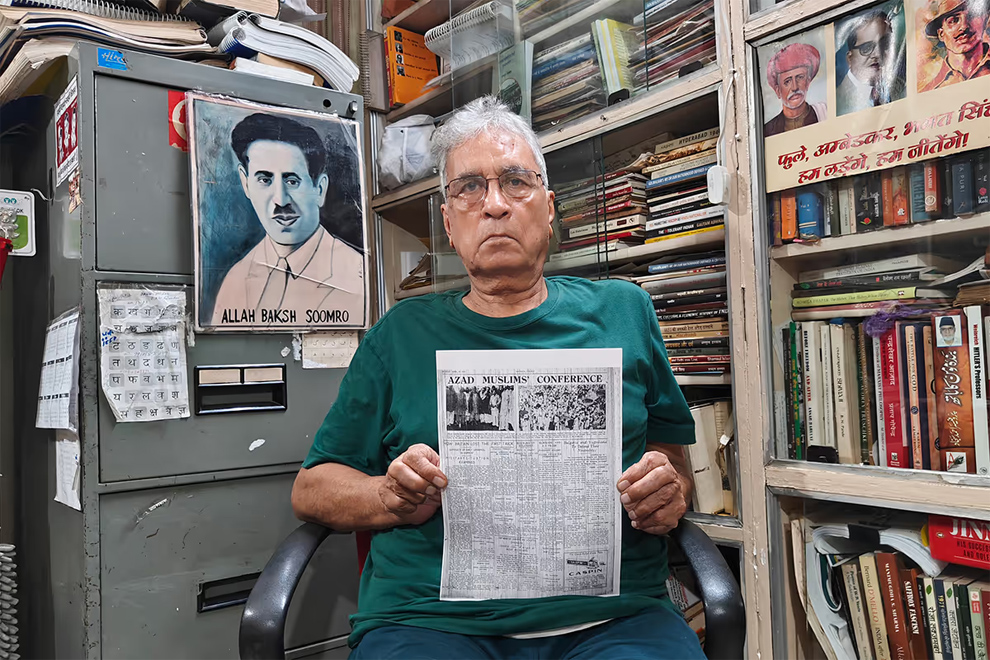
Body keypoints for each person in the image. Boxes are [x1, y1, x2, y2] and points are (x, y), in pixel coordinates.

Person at [292, 95, 701, 659]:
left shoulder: (623, 310)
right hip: (431, 622)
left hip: (611, 617)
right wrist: (388, 496)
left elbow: (674, 461)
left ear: (549, 209)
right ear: (448, 223)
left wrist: (668, 490)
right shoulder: (402, 334)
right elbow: (312, 488)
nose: (494, 205)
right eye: (469, 188)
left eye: (515, 182)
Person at [211, 113, 364, 327]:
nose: (281, 201)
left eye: (292, 181)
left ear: (319, 189)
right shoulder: (236, 278)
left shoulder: (358, 277)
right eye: (264, 180)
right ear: (246, 184)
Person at [837, 10, 903, 114]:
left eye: (885, 43)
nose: (877, 54)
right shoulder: (837, 102)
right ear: (850, 59)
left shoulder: (902, 86)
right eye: (867, 48)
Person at [921, 0, 990, 90]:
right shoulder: (932, 89)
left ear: (985, 20)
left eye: (972, 16)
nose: (964, 26)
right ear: (941, 34)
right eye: (953, 20)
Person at [763, 42, 827, 137]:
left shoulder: (824, 113)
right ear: (778, 91)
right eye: (787, 82)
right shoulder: (767, 131)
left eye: (800, 77)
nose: (794, 87)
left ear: (808, 82)